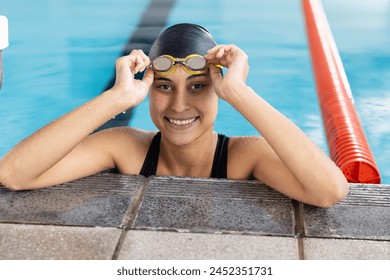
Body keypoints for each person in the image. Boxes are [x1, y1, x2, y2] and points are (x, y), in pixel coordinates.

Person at [0, 23, 348, 207]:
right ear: (149, 91)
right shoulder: (126, 147)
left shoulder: (244, 156)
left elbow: (329, 191)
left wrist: (241, 93)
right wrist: (116, 98)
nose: (179, 106)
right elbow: (14, 174)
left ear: (218, 90)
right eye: (164, 87)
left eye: (197, 86)